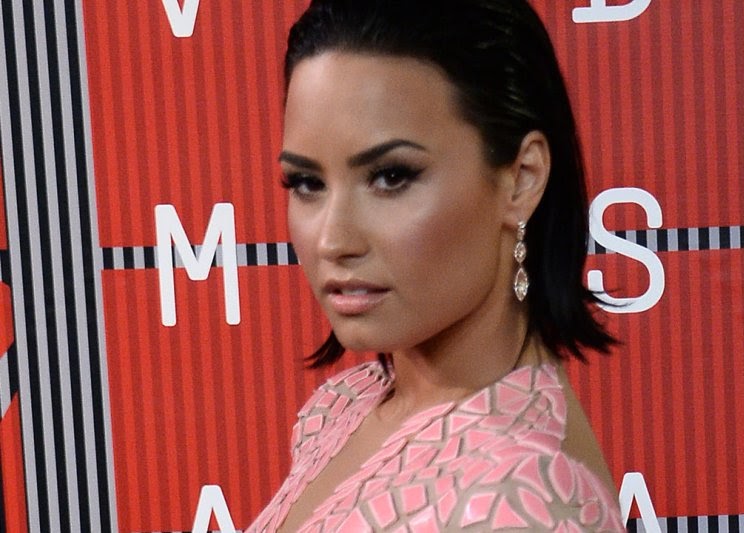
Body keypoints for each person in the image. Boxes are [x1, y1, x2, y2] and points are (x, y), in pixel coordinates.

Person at [248, 0, 624, 530]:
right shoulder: (348, 407)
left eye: (391, 177)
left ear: (522, 178)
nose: (333, 240)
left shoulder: (519, 506)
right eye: (307, 183)